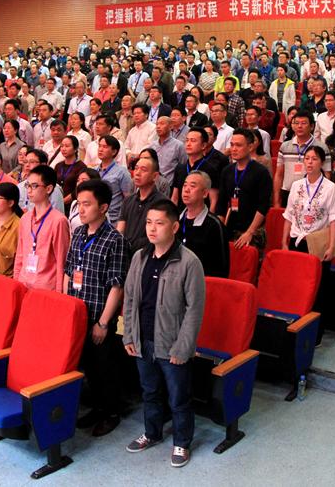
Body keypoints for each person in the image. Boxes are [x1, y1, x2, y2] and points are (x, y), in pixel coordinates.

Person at [123, 199, 206, 468]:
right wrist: (128, 335)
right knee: (149, 392)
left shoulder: (189, 262)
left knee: (178, 397)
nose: (152, 228)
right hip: (143, 339)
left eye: (159, 223)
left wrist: (184, 347)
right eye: (149, 222)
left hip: (172, 344)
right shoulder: (140, 257)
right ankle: (152, 432)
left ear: (174, 227)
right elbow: (130, 298)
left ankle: (182, 442)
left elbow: (195, 309)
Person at [65, 179, 129, 437]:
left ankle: (111, 413)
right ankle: (97, 407)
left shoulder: (115, 240)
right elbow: (69, 270)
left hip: (99, 316)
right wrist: (65, 306)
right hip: (77, 313)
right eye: (79, 203)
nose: (81, 209)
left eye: (87, 204)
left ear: (103, 208)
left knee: (105, 368)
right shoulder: (79, 233)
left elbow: (117, 286)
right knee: (88, 366)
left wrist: (103, 323)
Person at [15, 164, 71, 291]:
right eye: (28, 185)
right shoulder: (25, 219)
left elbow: (61, 261)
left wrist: (58, 293)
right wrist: (16, 283)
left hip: (45, 289)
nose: (29, 190)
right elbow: (20, 256)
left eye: (34, 186)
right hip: (23, 284)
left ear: (49, 188)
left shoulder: (59, 221)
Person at [217, 129, 273, 250]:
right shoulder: (227, 171)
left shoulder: (261, 172)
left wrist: (250, 232)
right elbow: (221, 203)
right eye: (232, 145)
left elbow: (263, 206)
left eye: (238, 145)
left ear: (250, 147)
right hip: (231, 227)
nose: (233, 149)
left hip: (253, 230)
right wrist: (219, 230)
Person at [282, 145, 335, 257]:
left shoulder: (330, 187)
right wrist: (284, 242)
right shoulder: (296, 185)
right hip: (296, 239)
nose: (310, 162)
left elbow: (334, 219)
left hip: (318, 241)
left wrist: (332, 246)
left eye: (314, 159)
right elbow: (289, 215)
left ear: (322, 163)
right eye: (307, 158)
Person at [177, 171, 228, 277]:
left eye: (192, 186)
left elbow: (221, 269)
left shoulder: (214, 225)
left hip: (201, 282)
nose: (186, 190)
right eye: (185, 185)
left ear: (205, 193)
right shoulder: (175, 220)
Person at [118, 153, 167, 256]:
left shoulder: (162, 203)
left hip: (149, 255)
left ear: (155, 176)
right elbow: (120, 231)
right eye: (136, 169)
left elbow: (161, 236)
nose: (137, 173)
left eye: (143, 170)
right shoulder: (128, 201)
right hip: (126, 254)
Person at [171, 127, 222, 210]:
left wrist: (209, 217)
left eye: (193, 141)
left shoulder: (210, 169)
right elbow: (175, 197)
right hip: (181, 214)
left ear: (203, 145)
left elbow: (213, 200)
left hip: (201, 214)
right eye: (187, 140)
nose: (188, 144)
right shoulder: (180, 168)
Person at [275, 113, 316, 207]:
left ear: (312, 126)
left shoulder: (320, 147)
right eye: (296, 123)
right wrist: (276, 201)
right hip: (287, 192)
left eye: (303, 123)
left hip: (311, 194)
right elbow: (279, 174)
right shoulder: (285, 146)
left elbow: (326, 175)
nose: (299, 126)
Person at [97, 135, 133, 225]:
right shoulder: (94, 171)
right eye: (99, 146)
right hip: (96, 217)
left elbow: (129, 199)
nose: (100, 149)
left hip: (113, 220)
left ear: (114, 151)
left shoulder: (122, 172)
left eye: (105, 147)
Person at [54, 136, 87, 208]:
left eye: (67, 146)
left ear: (75, 149)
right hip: (57, 203)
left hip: (73, 205)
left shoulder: (81, 167)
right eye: (62, 146)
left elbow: (79, 189)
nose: (63, 149)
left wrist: (63, 201)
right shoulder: (58, 166)